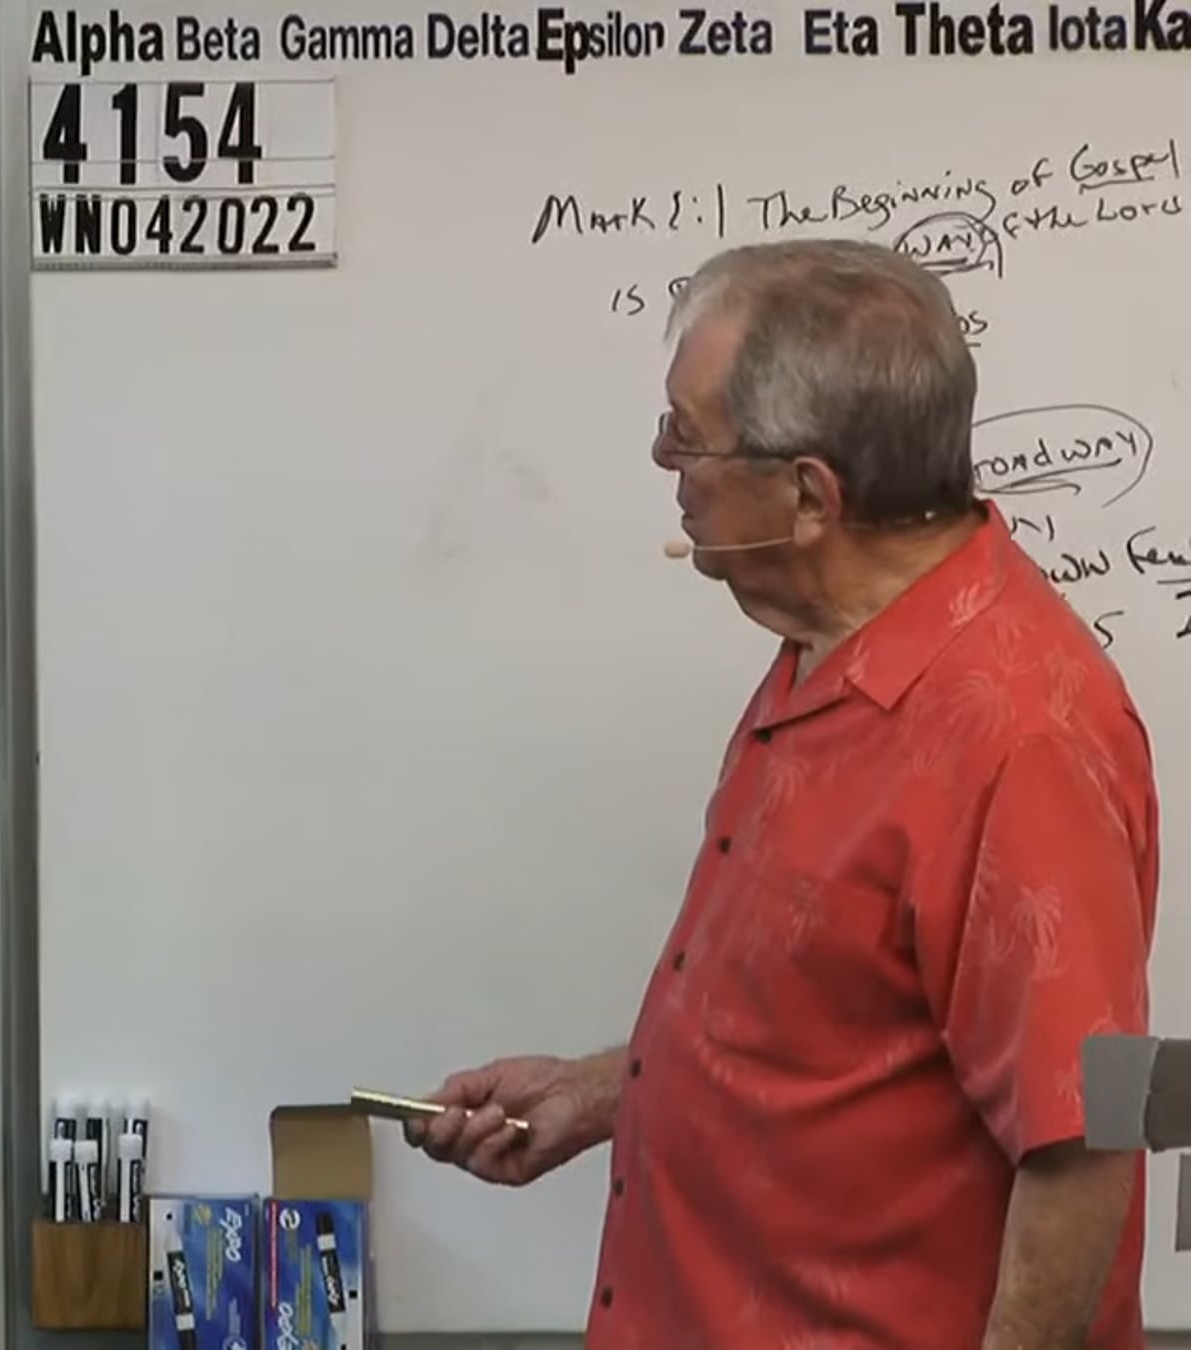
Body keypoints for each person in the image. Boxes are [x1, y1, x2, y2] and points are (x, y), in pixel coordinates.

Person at [407, 239, 1158, 1348]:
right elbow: (839, 1019)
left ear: (809, 496)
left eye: (687, 434)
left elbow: (1087, 1138)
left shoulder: (1020, 735)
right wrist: (607, 1090)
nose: (663, 459)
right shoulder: (829, 641)